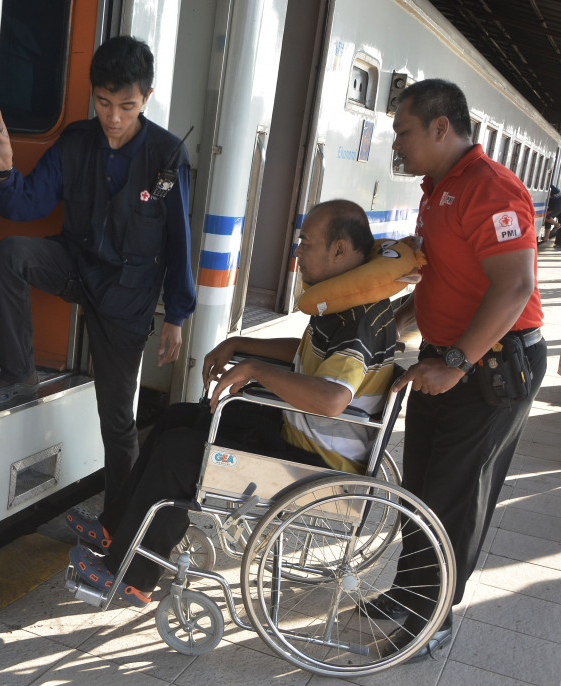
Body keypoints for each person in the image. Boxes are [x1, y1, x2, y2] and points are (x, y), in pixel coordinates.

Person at [64, 200, 398, 607]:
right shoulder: (347, 300)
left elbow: (331, 399)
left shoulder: (359, 319)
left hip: (316, 461)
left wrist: (255, 369)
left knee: (179, 455)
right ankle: (118, 529)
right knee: (178, 418)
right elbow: (306, 355)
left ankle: (132, 578)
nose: (297, 253)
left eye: (305, 243)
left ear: (340, 249)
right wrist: (240, 344)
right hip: (297, 432)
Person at [0, 36, 196, 514]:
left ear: (146, 97)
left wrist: (177, 315)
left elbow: (179, 244)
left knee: (118, 422)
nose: (113, 118)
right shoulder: (76, 141)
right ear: (93, 95)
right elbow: (25, 204)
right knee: (11, 253)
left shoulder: (165, 156)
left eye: (127, 105)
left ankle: (119, 522)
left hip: (127, 296)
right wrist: (6, 170)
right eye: (103, 102)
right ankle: (20, 373)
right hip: (76, 266)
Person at [372, 78, 546, 662]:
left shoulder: (491, 188)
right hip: (444, 358)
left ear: (441, 127)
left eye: (405, 131)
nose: (398, 142)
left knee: (454, 494)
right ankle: (407, 591)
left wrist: (456, 361)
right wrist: (388, 330)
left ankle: (433, 617)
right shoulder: (438, 187)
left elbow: (515, 286)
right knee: (420, 486)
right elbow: (441, 280)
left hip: (492, 364)